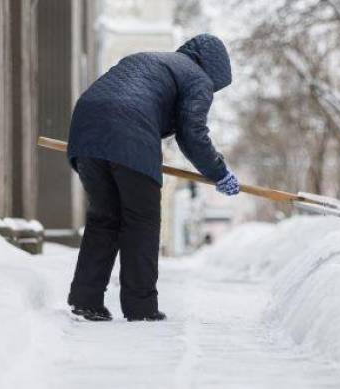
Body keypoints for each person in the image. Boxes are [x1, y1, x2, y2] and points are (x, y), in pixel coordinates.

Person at [65, 34, 240, 322]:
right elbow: (192, 133)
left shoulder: (150, 60)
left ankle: (86, 300)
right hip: (128, 132)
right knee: (141, 220)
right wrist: (219, 172)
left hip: (85, 128)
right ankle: (140, 307)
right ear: (214, 70)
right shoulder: (198, 78)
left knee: (103, 219)